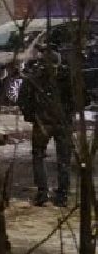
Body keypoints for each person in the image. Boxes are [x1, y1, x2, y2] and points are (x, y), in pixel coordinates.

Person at [18, 42, 76, 207]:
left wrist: (32, 116)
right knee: (63, 157)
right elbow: (82, 99)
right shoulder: (67, 76)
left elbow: (23, 99)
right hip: (63, 122)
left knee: (38, 155)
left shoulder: (35, 76)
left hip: (42, 122)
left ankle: (42, 193)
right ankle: (62, 194)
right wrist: (69, 112)